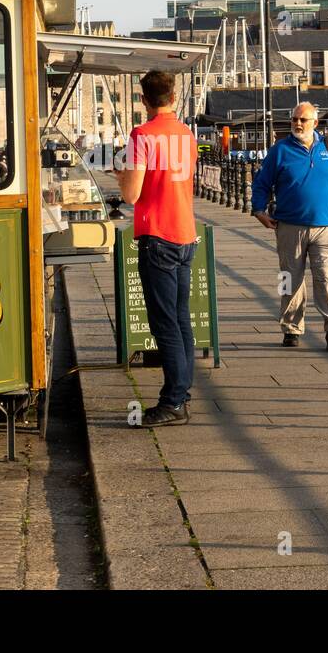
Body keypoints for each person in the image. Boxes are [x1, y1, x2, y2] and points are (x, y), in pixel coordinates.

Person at [115, 71, 198, 426]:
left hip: (158, 234)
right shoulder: (186, 134)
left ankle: (173, 402)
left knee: (164, 323)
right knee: (181, 320)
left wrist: (119, 173)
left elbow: (131, 194)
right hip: (184, 232)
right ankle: (182, 391)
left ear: (143, 99)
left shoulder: (142, 135)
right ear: (174, 97)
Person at [251, 102, 328, 352]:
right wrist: (258, 210)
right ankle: (290, 327)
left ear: (315, 123)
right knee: (288, 278)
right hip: (289, 226)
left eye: (303, 120)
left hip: (325, 226)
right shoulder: (280, 150)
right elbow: (262, 183)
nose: (298, 124)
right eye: (294, 119)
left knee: (325, 276)